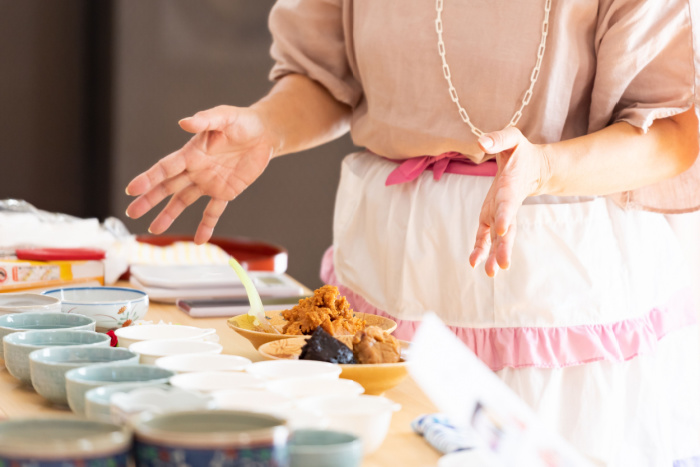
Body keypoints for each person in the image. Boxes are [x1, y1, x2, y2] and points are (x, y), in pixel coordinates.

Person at [125, 1, 700, 464]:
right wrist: (267, 127)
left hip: (558, 291)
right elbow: (328, 78)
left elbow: (675, 131)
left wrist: (546, 167)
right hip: (393, 266)